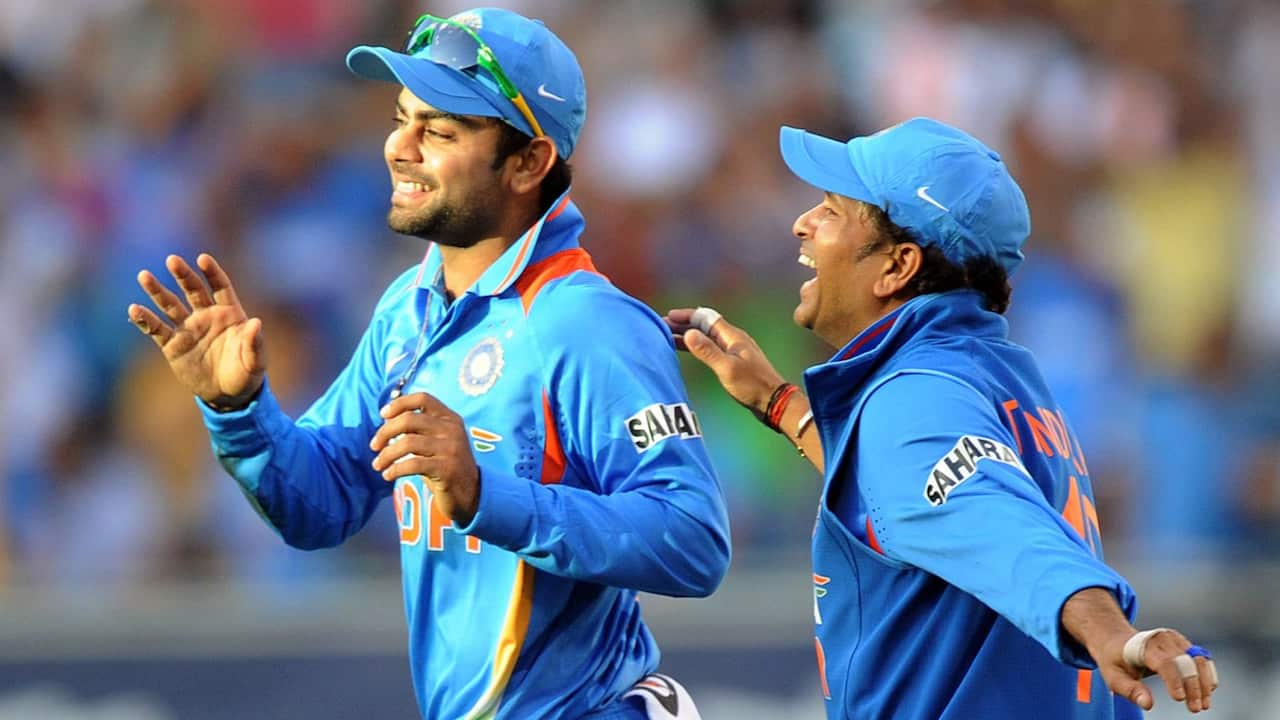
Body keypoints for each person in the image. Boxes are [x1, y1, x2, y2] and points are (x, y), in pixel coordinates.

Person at [127, 8, 729, 720]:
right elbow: (321, 505)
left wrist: (482, 492)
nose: (398, 147)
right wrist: (239, 413)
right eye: (401, 118)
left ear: (529, 162)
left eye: (439, 131)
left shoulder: (583, 322)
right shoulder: (407, 309)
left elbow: (693, 540)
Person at [666, 118, 1220, 718]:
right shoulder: (998, 375)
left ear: (897, 266)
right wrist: (780, 404)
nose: (802, 223)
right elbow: (909, 496)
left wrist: (1113, 633)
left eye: (831, 210)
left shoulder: (914, 398)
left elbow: (998, 527)